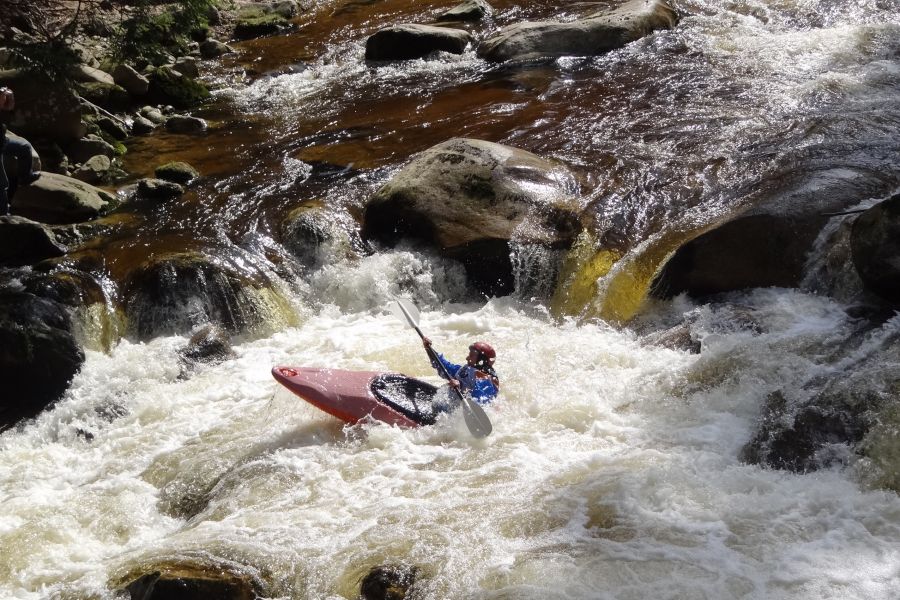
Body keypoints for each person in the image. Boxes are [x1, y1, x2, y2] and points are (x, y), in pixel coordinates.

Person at [0, 86, 41, 216]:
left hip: (3, 141)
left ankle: (25, 177)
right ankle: (4, 217)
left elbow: (8, 109)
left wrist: (8, 99)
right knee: (2, 183)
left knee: (24, 146)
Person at [423, 337, 500, 405]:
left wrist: (461, 388)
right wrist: (429, 349)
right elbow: (444, 367)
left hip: (465, 415)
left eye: (471, 355)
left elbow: (480, 402)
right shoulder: (467, 369)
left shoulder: (486, 380)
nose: (467, 358)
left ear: (481, 360)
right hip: (451, 405)